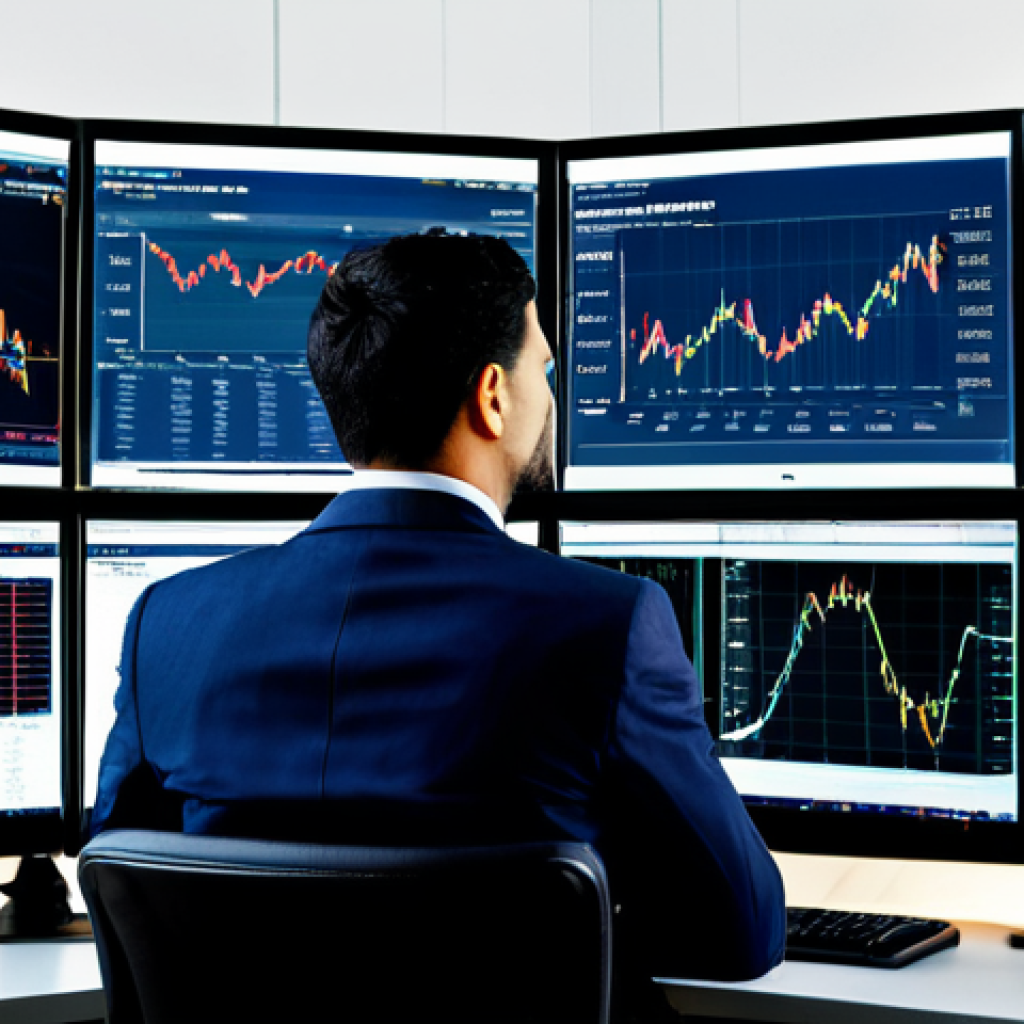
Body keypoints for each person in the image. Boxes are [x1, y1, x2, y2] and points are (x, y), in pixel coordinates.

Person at [91, 231, 785, 1002]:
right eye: (544, 371)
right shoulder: (609, 624)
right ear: (493, 396)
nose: (552, 397)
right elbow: (743, 931)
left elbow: (124, 886)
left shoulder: (168, 622)